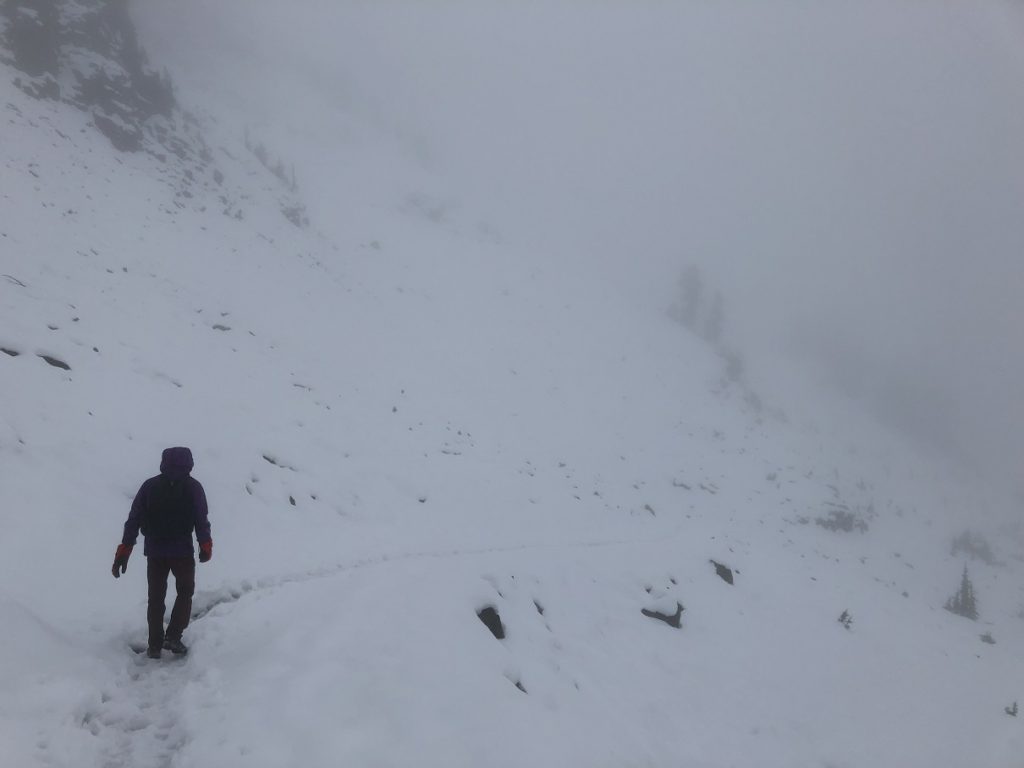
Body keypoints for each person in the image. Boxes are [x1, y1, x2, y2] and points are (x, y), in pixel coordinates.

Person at [112, 446, 213, 658]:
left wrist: (125, 549)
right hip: (182, 553)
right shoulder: (194, 488)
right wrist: (205, 544)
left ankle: (155, 645)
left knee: (155, 598)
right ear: (189, 464)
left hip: (155, 552)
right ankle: (173, 636)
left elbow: (134, 518)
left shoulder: (150, 486)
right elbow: (200, 519)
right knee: (184, 592)